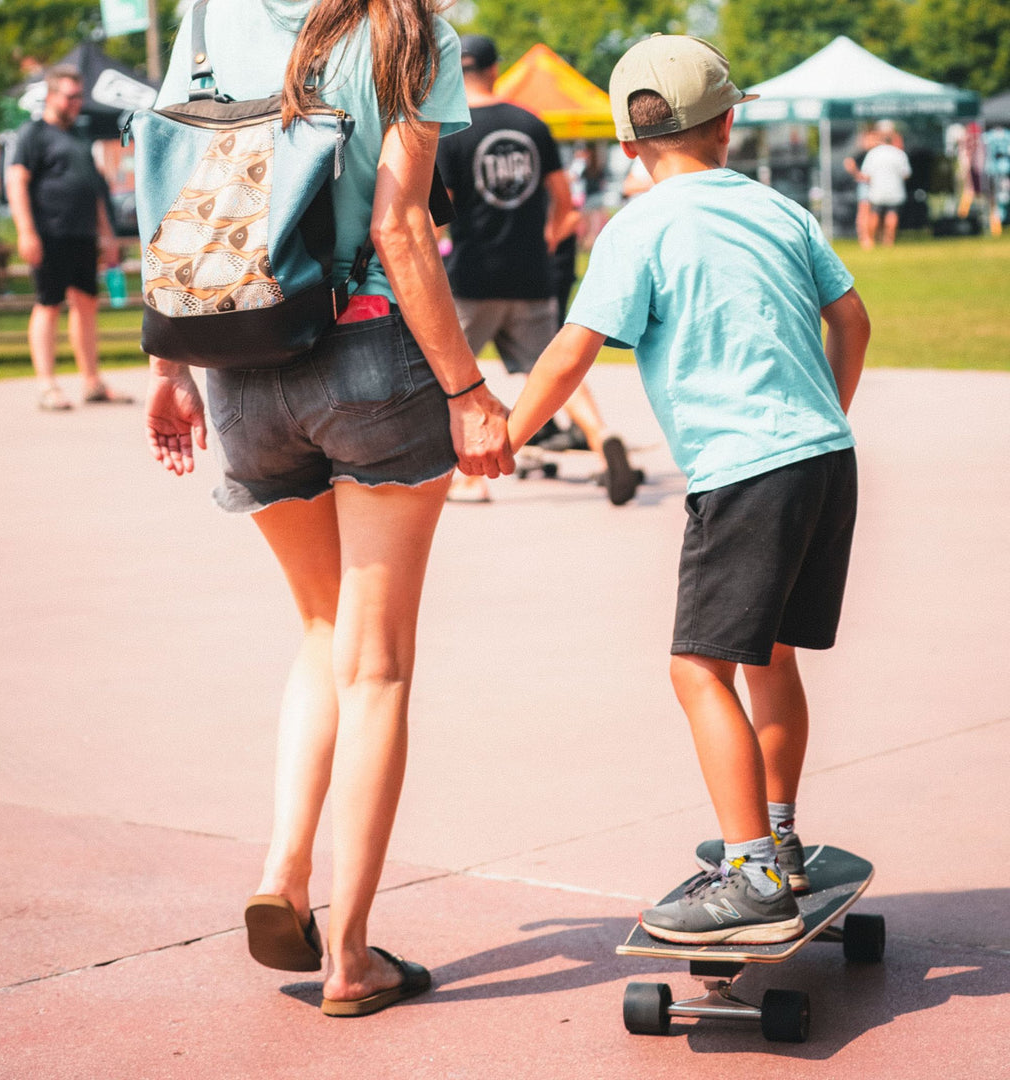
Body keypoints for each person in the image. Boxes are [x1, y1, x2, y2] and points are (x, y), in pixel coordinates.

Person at [146, 0, 513, 1016]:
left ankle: (282, 874)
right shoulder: (408, 31)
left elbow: (179, 187)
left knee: (318, 630)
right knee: (378, 662)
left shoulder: (211, 15)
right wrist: (471, 393)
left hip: (237, 357)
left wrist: (170, 365)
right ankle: (350, 954)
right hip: (370, 357)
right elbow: (399, 225)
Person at [507, 34, 870, 944]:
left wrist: (503, 437)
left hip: (746, 472)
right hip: (825, 458)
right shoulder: (780, 210)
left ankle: (751, 874)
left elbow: (573, 347)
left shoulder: (639, 225)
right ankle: (778, 840)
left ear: (630, 145)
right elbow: (852, 320)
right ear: (730, 123)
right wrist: (826, 410)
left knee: (696, 668)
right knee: (770, 656)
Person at [436, 34, 638, 506]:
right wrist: (540, 245)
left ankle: (470, 479)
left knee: (451, 380)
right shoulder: (531, 124)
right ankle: (602, 435)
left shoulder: (450, 131)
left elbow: (434, 217)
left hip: (471, 276)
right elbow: (566, 206)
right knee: (554, 372)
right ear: (495, 68)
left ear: (454, 72)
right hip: (529, 275)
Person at [6, 64, 132, 411]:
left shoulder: (79, 137)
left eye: (80, 96)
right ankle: (47, 386)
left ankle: (92, 383)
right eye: (71, 96)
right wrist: (26, 231)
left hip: (82, 235)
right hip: (49, 234)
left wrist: (107, 236)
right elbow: (16, 181)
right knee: (49, 304)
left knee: (87, 303)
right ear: (51, 96)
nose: (77, 102)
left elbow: (94, 192)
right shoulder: (33, 134)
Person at [858, 121, 911, 247]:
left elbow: (866, 174)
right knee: (892, 214)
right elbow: (906, 174)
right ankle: (889, 241)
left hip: (877, 190)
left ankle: (871, 240)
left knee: (875, 213)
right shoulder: (899, 154)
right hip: (895, 190)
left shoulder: (873, 154)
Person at [843, 127, 878, 250]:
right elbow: (848, 162)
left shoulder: (875, 153)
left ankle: (872, 237)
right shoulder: (861, 153)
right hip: (866, 185)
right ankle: (864, 238)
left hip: (876, 184)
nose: (872, 142)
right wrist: (858, 175)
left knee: (874, 212)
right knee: (864, 211)